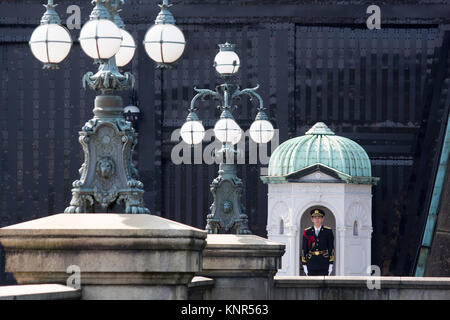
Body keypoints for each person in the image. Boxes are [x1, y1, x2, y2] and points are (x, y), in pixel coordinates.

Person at [301, 208, 335, 276]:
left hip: (324, 262)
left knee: (323, 285)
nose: (317, 219)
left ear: (322, 219)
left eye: (319, 217)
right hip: (311, 262)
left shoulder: (328, 231)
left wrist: (331, 263)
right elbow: (304, 248)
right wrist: (304, 264)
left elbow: (331, 248)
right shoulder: (307, 232)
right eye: (315, 217)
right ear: (312, 219)